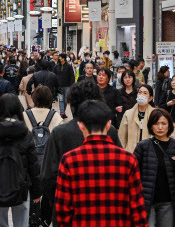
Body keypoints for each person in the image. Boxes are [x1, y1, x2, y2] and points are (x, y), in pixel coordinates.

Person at [55, 100, 148, 226]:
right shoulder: (128, 160)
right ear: (109, 124)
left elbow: (62, 211)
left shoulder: (69, 161)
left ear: (80, 125)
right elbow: (138, 210)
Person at [41, 81, 122, 226]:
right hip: (107, 210)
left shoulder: (59, 132)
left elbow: (48, 176)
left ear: (73, 104)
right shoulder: (109, 131)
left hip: (70, 211)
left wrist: (60, 201)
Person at [0, 94, 41, 227]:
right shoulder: (25, 133)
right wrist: (36, 191)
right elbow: (33, 165)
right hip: (21, 185)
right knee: (21, 222)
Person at [134, 108, 175, 226]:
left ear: (169, 125)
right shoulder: (143, 146)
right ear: (151, 126)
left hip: (168, 200)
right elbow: (133, 174)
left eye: (163, 123)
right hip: (146, 200)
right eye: (156, 123)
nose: (160, 127)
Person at [119, 84, 156, 153]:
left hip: (149, 153)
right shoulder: (128, 113)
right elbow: (122, 136)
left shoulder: (154, 113)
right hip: (131, 152)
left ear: (150, 98)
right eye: (140, 92)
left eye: (145, 93)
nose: (141, 95)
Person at [54, 53, 75, 119]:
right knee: (61, 99)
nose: (59, 58)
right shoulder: (56, 66)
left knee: (66, 100)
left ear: (63, 58)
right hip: (59, 85)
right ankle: (62, 113)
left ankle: (63, 112)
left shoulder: (69, 66)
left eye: (60, 57)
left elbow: (72, 76)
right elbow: (54, 75)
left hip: (67, 85)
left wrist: (72, 85)